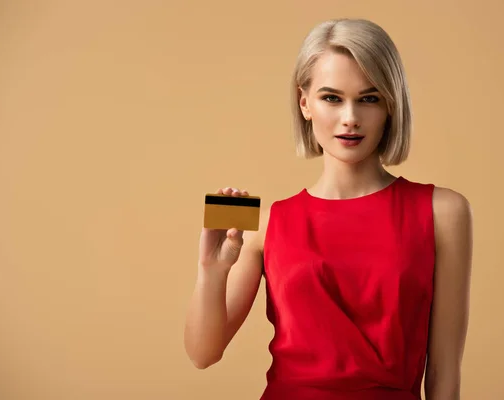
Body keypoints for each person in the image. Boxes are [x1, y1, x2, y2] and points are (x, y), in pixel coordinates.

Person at [184, 18, 473, 400]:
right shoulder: (267, 223)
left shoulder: (443, 212)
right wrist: (211, 269)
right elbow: (203, 354)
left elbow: (443, 374)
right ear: (304, 102)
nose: (350, 117)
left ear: (390, 105)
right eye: (332, 98)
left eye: (369, 98)